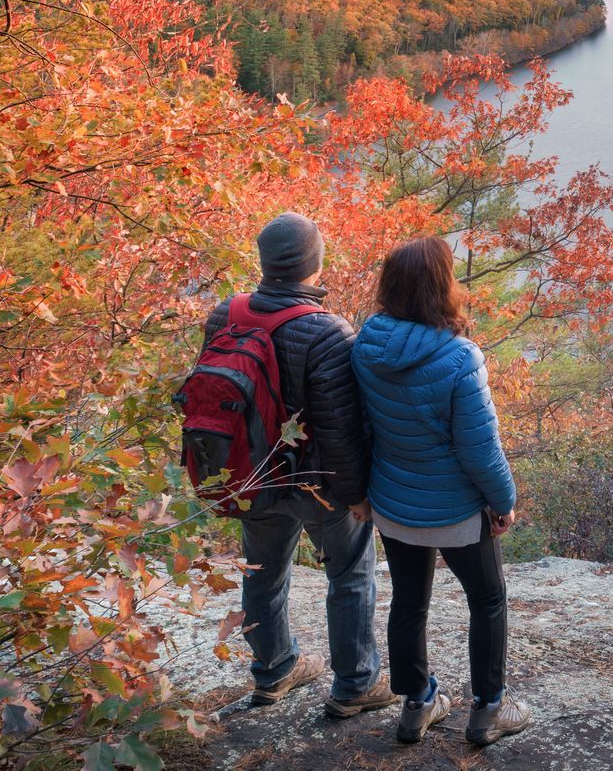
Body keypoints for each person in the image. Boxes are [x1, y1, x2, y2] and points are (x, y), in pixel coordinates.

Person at [205, 212, 391, 719]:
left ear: (264, 261)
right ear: (315, 265)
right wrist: (356, 495)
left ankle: (274, 672)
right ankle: (355, 685)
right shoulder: (327, 331)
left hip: (251, 474)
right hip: (316, 484)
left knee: (262, 573)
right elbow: (340, 429)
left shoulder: (227, 314)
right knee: (350, 574)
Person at [350, 235, 530, 747]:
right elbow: (480, 448)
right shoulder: (459, 357)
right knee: (489, 598)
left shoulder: (366, 345)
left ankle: (416, 705)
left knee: (408, 601)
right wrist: (504, 501)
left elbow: (362, 426)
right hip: (454, 510)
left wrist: (362, 491)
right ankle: (489, 711)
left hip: (393, 502)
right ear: (442, 288)